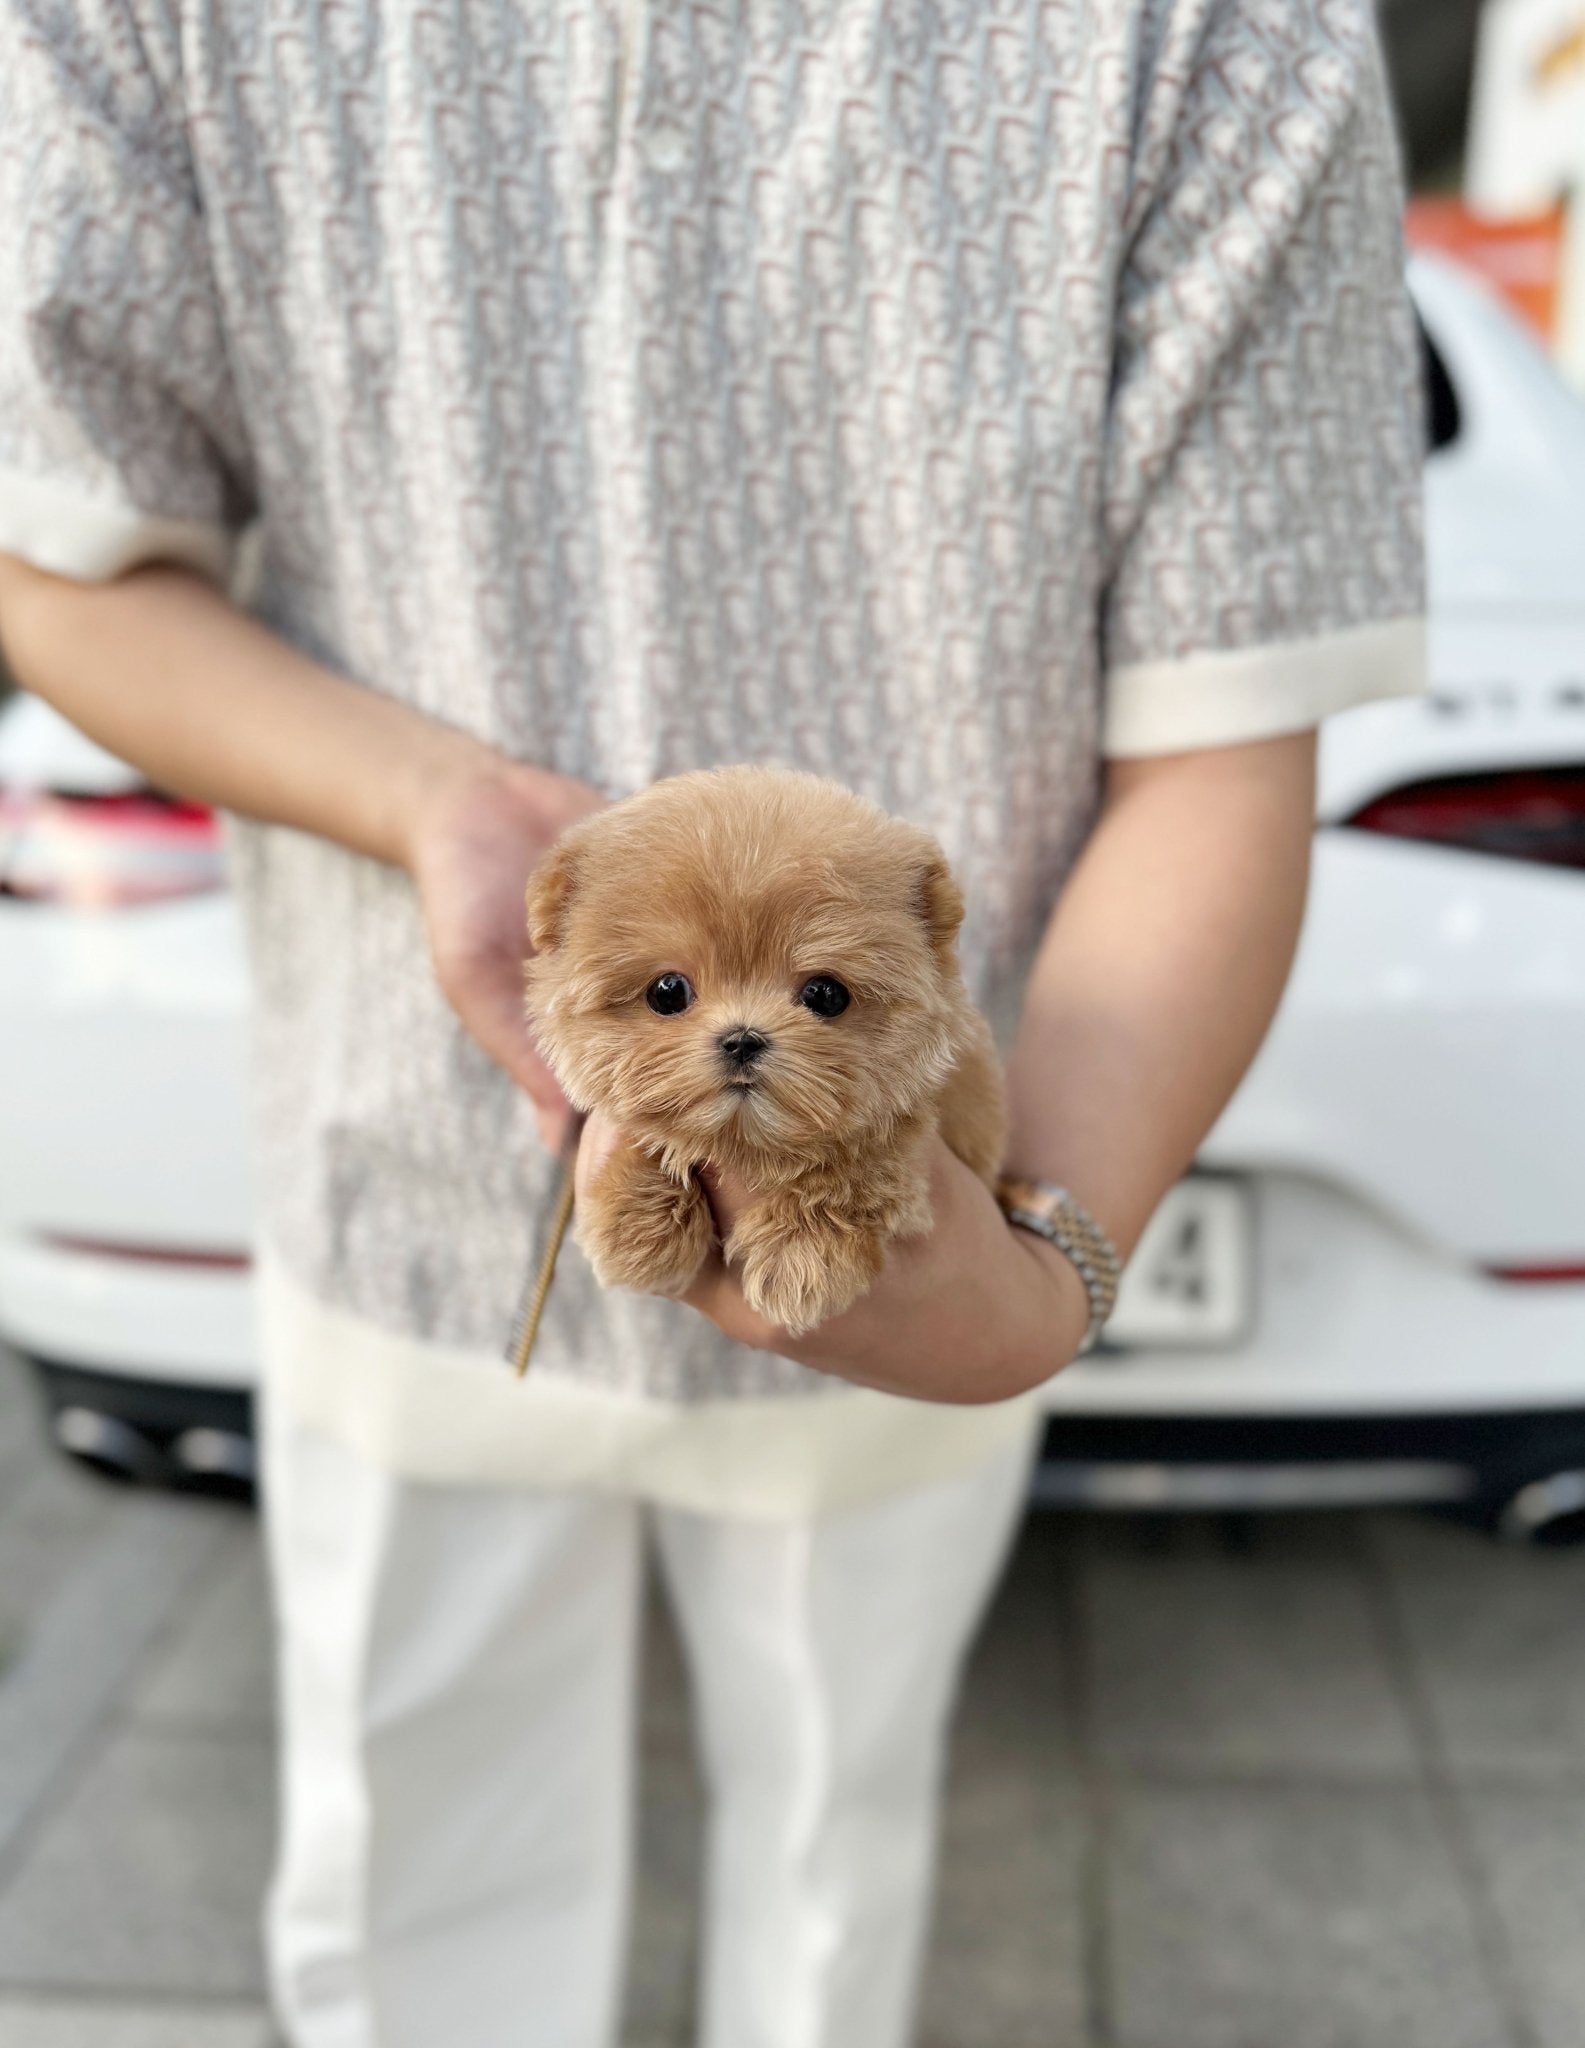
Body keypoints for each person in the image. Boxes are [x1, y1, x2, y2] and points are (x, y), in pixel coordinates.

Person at [0, 0, 1425, 2040]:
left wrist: (1046, 1262)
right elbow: (58, 547)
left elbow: (1220, 729)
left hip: (922, 1198)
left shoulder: (1209, 35)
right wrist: (433, 802)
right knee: (413, 1912)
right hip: (402, 1181)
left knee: (834, 1891)